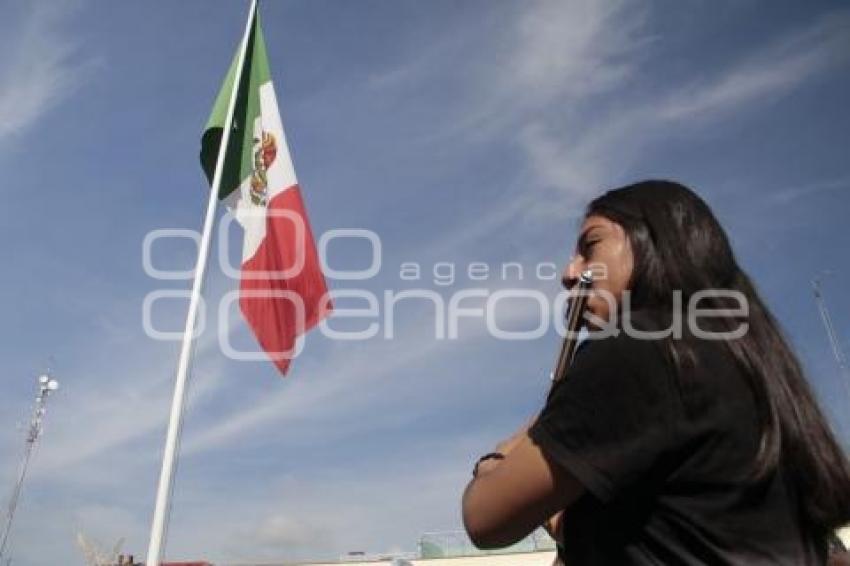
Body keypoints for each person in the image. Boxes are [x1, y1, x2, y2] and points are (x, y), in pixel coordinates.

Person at [461, 180, 850, 564]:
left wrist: (497, 460)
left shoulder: (637, 348)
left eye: (590, 246)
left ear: (656, 242)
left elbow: (486, 519)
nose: (568, 273)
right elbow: (669, 537)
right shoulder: (749, 365)